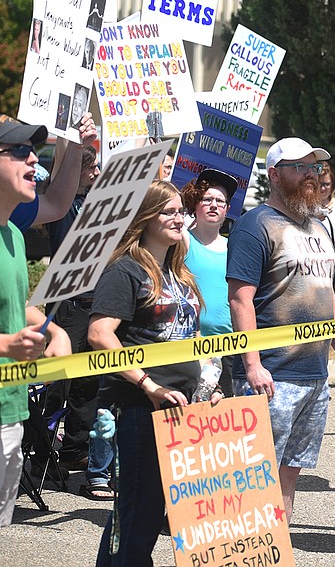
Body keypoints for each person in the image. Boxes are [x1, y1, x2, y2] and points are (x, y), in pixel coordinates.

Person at [87, 180, 219, 565]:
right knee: (139, 513)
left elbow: (195, 336)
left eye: (181, 211)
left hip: (184, 409)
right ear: (145, 218)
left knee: (152, 513)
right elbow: (99, 334)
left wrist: (208, 384)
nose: (179, 218)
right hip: (141, 409)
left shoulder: (180, 273)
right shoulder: (125, 270)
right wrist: (149, 385)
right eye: (169, 211)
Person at [0, 115, 72, 566]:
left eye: (34, 151)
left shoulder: (10, 234)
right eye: (20, 152)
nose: (34, 160)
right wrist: (7, 347)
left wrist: (51, 329)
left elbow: (8, 307)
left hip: (9, 410)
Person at [227, 137, 335, 523]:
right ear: (275, 174)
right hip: (271, 374)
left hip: (312, 373)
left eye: (314, 167)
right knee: (254, 473)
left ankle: (277, 547)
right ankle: (248, 547)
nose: (311, 175)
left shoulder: (319, 227)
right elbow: (240, 300)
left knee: (289, 473)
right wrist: (252, 364)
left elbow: (326, 293)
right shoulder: (255, 226)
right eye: (300, 167)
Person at [43, 146, 102, 475]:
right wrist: (76, 143)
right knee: (58, 381)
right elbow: (58, 174)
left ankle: (74, 448)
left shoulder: (96, 200)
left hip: (96, 300)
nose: (95, 173)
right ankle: (41, 449)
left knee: (88, 381)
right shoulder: (60, 206)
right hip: (67, 302)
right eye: (89, 168)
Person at [183, 169, 240, 397]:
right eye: (207, 199)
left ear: (227, 210)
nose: (214, 205)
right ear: (195, 204)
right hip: (190, 346)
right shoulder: (183, 241)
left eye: (220, 201)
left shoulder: (234, 248)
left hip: (227, 348)